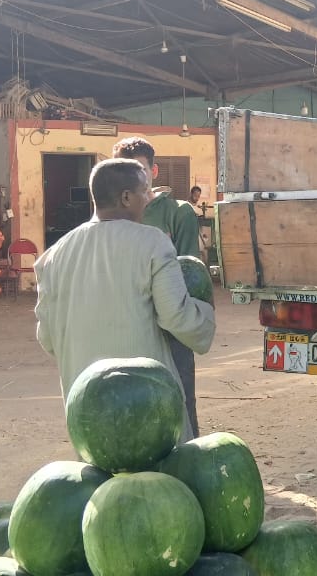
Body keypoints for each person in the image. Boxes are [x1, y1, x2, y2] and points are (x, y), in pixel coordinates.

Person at [36, 159, 215, 441]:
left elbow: (47, 337)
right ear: (126, 197)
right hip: (146, 402)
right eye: (146, 191)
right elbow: (175, 316)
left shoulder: (54, 255)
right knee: (158, 481)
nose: (149, 198)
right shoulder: (152, 243)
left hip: (84, 407)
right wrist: (205, 311)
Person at [110, 138, 206, 436]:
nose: (131, 178)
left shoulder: (179, 213)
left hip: (170, 329)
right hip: (126, 325)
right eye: (123, 170)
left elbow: (190, 274)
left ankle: (188, 467)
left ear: (154, 170)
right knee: (127, 407)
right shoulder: (109, 216)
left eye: (138, 169)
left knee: (179, 402)